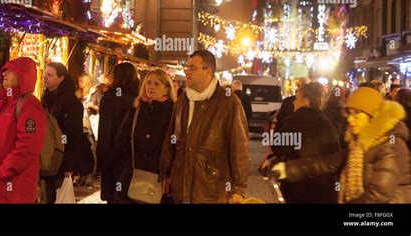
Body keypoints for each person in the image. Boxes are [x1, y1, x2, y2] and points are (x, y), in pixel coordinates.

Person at [273, 87, 411, 203]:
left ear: (373, 117)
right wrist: (287, 169)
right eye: (349, 113)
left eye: (357, 114)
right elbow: (325, 163)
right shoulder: (358, 145)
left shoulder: (392, 146)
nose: (350, 119)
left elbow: (377, 196)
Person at [160, 50, 249, 204]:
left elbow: (239, 147)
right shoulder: (183, 101)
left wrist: (239, 188)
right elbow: (171, 139)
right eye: (186, 67)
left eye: (192, 68)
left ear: (208, 71)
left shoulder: (229, 102)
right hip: (181, 187)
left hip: (211, 189)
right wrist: (166, 173)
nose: (186, 71)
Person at [0, 57, 47, 203]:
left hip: (10, 186)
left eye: (10, 71)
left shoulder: (29, 105)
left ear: (22, 76)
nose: (4, 74)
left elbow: (28, 146)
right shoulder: (2, 101)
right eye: (4, 71)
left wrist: (4, 172)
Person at [112, 69, 176, 203]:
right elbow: (121, 141)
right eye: (148, 83)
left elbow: (175, 148)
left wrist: (169, 174)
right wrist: (124, 168)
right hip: (132, 177)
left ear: (166, 89)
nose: (151, 87)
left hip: (161, 181)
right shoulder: (136, 109)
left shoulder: (173, 114)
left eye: (157, 84)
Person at [271, 82, 339, 203]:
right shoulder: (327, 124)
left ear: (305, 100)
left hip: (297, 187)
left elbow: (277, 147)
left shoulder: (294, 123)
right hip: (323, 190)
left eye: (296, 99)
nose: (293, 102)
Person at [97, 62, 140, 203]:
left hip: (113, 157)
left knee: (114, 196)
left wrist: (103, 160)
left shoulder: (109, 99)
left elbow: (105, 132)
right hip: (133, 157)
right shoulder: (138, 98)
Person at [41, 62, 84, 204]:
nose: (44, 77)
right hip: (47, 156)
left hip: (61, 159)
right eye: (45, 74)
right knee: (49, 196)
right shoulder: (47, 98)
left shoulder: (70, 102)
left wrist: (69, 165)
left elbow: (74, 134)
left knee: (58, 196)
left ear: (61, 78)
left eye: (50, 75)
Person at [75, 72, 98, 186]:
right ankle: (82, 175)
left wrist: (93, 106)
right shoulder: (77, 94)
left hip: (90, 126)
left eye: (81, 81)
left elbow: (102, 108)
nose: (79, 83)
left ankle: (91, 175)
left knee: (92, 150)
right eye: (78, 81)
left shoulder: (94, 94)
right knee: (80, 152)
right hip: (79, 126)